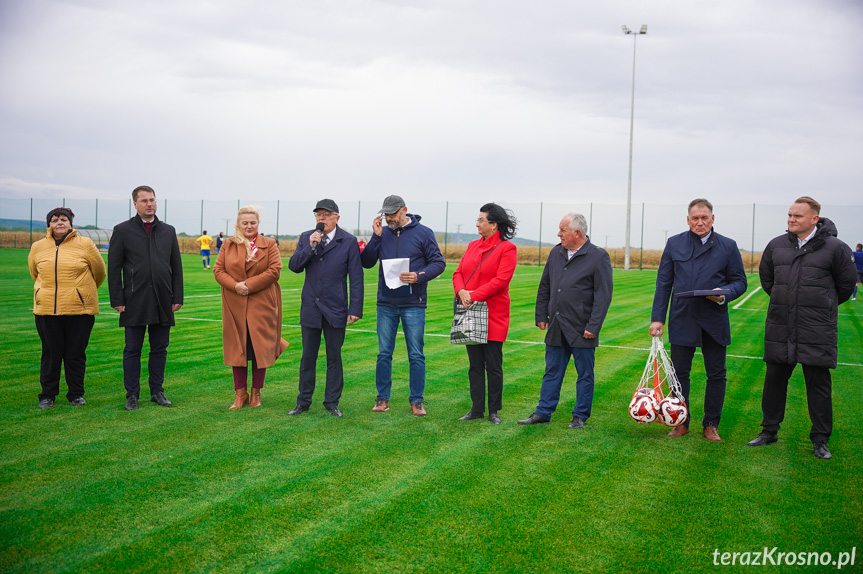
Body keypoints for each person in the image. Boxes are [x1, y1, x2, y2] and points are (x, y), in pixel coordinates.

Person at [747, 197, 856, 459]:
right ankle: (769, 431)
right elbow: (768, 279)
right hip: (781, 325)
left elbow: (845, 285)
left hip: (816, 328)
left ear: (814, 219)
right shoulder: (776, 245)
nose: (791, 220)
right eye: (789, 215)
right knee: (774, 382)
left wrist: (822, 304)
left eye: (797, 216)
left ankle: (820, 440)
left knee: (818, 385)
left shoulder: (835, 248)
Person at [648, 198, 747, 442]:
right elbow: (663, 283)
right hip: (683, 317)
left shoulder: (728, 245)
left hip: (714, 319)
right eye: (695, 218)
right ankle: (681, 422)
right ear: (688, 220)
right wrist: (657, 318)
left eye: (704, 218)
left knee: (716, 374)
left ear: (713, 219)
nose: (700, 222)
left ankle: (711, 424)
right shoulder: (674, 244)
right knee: (679, 374)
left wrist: (723, 295)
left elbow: (739, 282)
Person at [517, 213, 613, 429]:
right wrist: (541, 315)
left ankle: (580, 415)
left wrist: (593, 326)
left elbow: (603, 295)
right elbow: (545, 286)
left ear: (577, 233)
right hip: (557, 325)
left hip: (582, 328)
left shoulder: (598, 256)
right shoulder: (556, 252)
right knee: (552, 371)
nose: (558, 234)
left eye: (563, 230)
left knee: (584, 374)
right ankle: (543, 412)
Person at [361, 195, 445, 416]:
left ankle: (417, 401)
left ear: (404, 210)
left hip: (413, 304)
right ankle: (382, 399)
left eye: (392, 213)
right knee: (383, 354)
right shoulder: (383, 233)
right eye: (385, 213)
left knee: (416, 354)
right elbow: (367, 262)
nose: (388, 217)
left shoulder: (424, 233)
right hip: (386, 304)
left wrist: (418, 276)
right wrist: (376, 237)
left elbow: (438, 263)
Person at [108, 185, 184, 411]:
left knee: (159, 348)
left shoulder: (168, 231)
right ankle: (132, 395)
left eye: (152, 200)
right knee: (132, 349)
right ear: (135, 204)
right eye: (144, 200)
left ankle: (157, 391)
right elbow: (114, 268)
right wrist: (117, 299)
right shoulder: (122, 230)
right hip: (134, 300)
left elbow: (176, 267)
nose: (149, 204)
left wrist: (177, 295)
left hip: (163, 299)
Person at [287, 199, 363, 417]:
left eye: (326, 214)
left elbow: (356, 278)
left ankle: (332, 402)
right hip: (311, 306)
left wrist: (355, 308)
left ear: (337, 217)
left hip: (335, 308)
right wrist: (310, 247)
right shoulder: (306, 237)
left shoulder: (348, 241)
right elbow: (294, 266)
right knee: (307, 357)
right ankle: (303, 401)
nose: (322, 218)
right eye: (318, 214)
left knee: (334, 357)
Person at [28, 207, 106, 409]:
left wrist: (80, 293)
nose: (59, 223)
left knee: (75, 354)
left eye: (64, 219)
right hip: (46, 310)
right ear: (49, 224)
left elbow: (99, 272)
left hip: (79, 311)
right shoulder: (37, 246)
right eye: (55, 220)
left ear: (71, 223)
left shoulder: (86, 244)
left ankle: (76, 394)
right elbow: (35, 273)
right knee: (50, 353)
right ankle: (47, 395)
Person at [214, 207, 289, 409]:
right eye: (245, 223)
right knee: (237, 348)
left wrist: (248, 285)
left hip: (262, 303)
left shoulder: (269, 244)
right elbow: (218, 270)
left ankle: (256, 393)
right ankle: (240, 394)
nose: (249, 226)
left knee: (259, 349)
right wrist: (235, 285)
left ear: (258, 224)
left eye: (253, 223)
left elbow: (275, 270)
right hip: (234, 303)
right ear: (238, 224)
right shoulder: (228, 245)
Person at [452, 203, 518, 424]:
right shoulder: (472, 245)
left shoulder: (507, 249)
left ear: (494, 225)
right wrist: (461, 291)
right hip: (471, 312)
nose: (477, 223)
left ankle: (494, 410)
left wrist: (472, 295)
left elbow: (501, 281)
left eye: (481, 220)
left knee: (493, 365)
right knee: (474, 365)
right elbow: (459, 272)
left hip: (493, 314)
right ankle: (477, 408)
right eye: (477, 219)